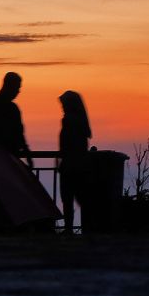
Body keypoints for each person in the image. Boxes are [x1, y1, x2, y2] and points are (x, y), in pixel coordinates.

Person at [58, 90, 92, 233]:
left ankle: (69, 228)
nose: (62, 107)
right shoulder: (81, 122)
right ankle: (87, 227)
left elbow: (66, 143)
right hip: (80, 165)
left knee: (68, 198)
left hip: (69, 165)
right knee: (81, 198)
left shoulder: (69, 120)